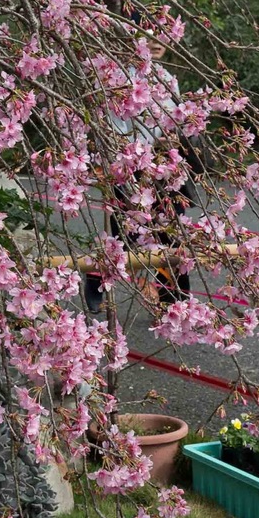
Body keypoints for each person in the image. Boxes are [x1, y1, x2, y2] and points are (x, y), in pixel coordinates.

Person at [84, 30, 192, 312]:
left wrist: (171, 138)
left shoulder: (168, 79)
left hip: (162, 165)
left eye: (161, 37)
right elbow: (107, 124)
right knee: (124, 233)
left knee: (172, 230)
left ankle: (173, 300)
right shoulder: (117, 76)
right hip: (126, 163)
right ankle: (96, 284)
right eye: (148, 37)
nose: (156, 44)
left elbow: (174, 121)